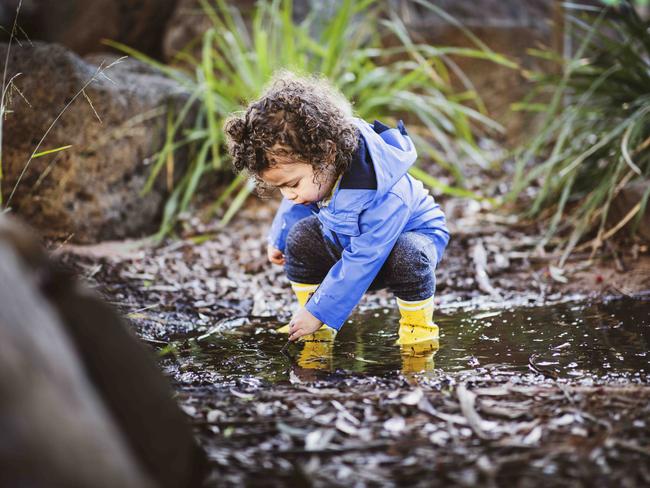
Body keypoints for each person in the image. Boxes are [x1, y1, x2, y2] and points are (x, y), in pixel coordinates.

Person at [224, 72, 449, 369]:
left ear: (326, 154)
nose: (288, 195)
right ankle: (316, 328)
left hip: (403, 242)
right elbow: (301, 202)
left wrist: (321, 308)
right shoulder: (319, 173)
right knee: (300, 238)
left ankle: (418, 333)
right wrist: (279, 236)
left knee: (409, 254)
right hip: (348, 238)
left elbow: (366, 256)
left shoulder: (383, 191)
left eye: (291, 184)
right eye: (280, 187)